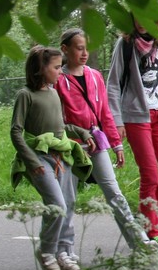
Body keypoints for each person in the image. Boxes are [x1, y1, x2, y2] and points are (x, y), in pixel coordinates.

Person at [56, 28, 151, 251]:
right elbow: (56, 118)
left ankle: (139, 241)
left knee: (114, 193)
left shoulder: (95, 76)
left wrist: (116, 143)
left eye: (86, 48)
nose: (84, 53)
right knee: (67, 199)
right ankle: (64, 250)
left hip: (96, 143)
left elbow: (105, 112)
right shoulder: (58, 80)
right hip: (70, 146)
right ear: (65, 49)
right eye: (79, 48)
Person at [11, 45, 94, 270]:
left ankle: (63, 252)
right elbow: (16, 131)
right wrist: (32, 162)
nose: (60, 72)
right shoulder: (25, 95)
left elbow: (60, 127)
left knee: (68, 203)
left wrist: (83, 133)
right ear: (41, 68)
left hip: (62, 156)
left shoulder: (54, 92)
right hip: (39, 158)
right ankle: (46, 251)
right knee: (57, 204)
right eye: (57, 67)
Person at [106, 19, 158, 252]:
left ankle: (144, 217)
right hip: (135, 117)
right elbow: (113, 84)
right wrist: (117, 121)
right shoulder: (125, 44)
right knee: (150, 175)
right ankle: (153, 231)